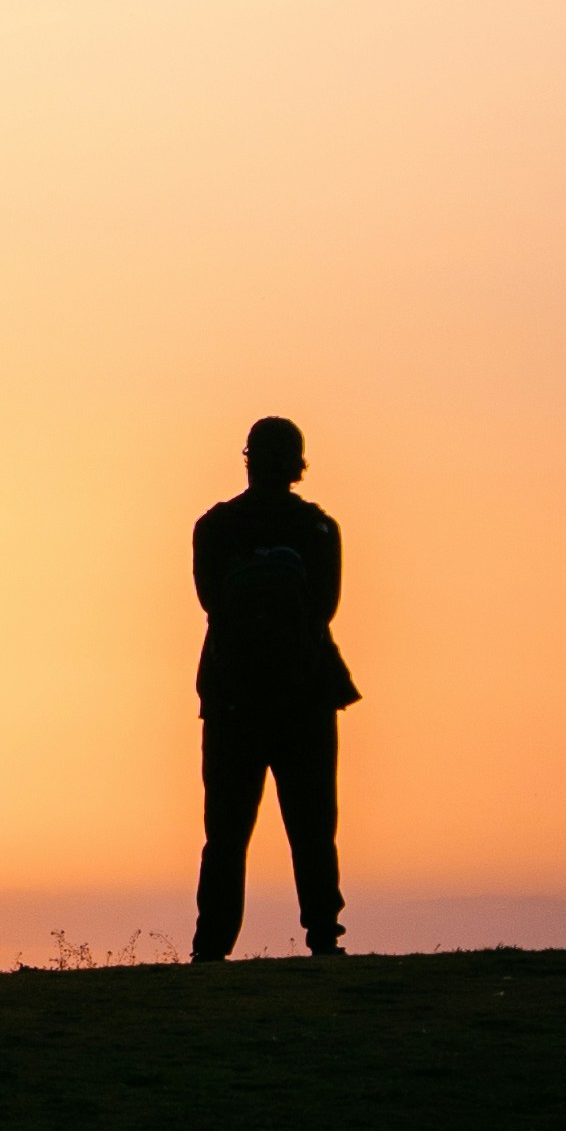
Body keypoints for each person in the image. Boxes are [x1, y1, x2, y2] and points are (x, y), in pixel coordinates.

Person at [191, 413, 354, 965]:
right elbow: (325, 607)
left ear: (248, 459)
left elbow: (211, 601)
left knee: (226, 833)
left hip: (232, 696)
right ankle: (325, 938)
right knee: (312, 826)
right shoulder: (318, 529)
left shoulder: (214, 527)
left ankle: (210, 951)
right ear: (297, 462)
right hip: (305, 694)